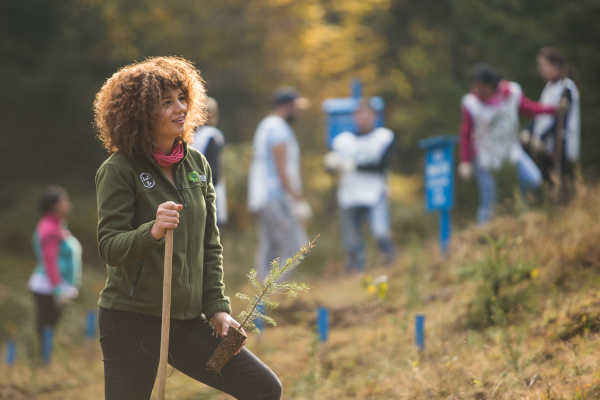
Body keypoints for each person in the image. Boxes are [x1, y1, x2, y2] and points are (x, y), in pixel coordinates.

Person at [94, 57, 281, 400]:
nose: (180, 108)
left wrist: (218, 308)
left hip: (187, 323)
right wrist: (152, 231)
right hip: (131, 321)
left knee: (263, 388)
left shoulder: (196, 163)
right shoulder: (119, 169)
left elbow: (210, 243)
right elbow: (109, 246)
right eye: (166, 102)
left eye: (182, 97)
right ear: (139, 113)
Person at [458, 63, 556, 225]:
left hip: (511, 150)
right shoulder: (471, 104)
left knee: (534, 180)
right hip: (485, 156)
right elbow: (466, 133)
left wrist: (553, 110)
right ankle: (482, 234)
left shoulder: (511, 93)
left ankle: (516, 208)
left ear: (489, 83)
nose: (476, 89)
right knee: (489, 200)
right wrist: (466, 161)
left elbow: (528, 109)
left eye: (479, 85)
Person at [324, 98, 397, 272]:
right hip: (350, 195)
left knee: (381, 233)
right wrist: (330, 164)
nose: (362, 117)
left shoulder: (384, 137)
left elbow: (382, 165)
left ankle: (392, 267)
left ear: (374, 116)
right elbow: (331, 169)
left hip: (375, 193)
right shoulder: (343, 141)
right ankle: (355, 275)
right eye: (359, 114)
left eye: (366, 113)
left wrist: (353, 165)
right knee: (352, 242)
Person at [247, 87, 311, 280]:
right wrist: (297, 197)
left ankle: (260, 303)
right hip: (274, 197)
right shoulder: (278, 128)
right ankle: (271, 290)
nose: (298, 111)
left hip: (261, 198)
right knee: (297, 248)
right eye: (295, 107)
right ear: (284, 106)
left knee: (269, 252)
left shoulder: (265, 126)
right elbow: (281, 168)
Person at [28, 186, 81, 348]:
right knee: (45, 329)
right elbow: (49, 261)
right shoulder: (48, 228)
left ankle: (42, 363)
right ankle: (41, 364)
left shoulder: (58, 226)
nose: (68, 203)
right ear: (53, 205)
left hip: (54, 286)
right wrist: (58, 290)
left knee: (49, 329)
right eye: (63, 200)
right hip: (49, 287)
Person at [521, 47, 581, 186]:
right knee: (549, 183)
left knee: (561, 183)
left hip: (560, 145)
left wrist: (542, 137)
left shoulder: (567, 88)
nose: (540, 69)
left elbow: (561, 120)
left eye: (542, 65)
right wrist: (528, 130)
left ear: (555, 66)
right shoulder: (549, 87)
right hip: (546, 146)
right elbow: (542, 113)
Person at [191, 97, 228, 226]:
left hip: (191, 197)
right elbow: (213, 175)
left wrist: (192, 179)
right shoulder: (211, 135)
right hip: (210, 199)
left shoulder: (189, 137)